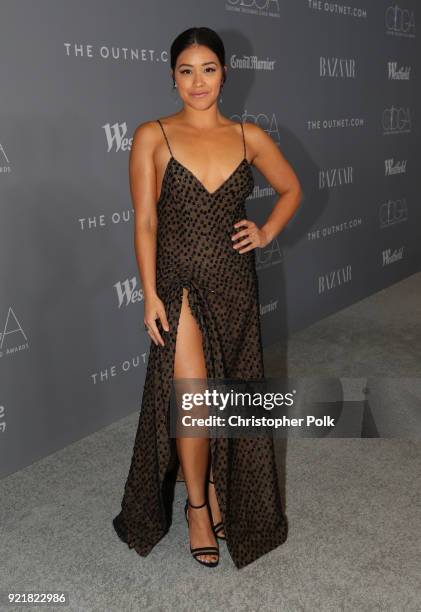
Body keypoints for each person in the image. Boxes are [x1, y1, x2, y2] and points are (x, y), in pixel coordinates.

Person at [112, 26, 302, 569]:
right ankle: (197, 505)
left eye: (209, 69)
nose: (198, 82)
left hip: (235, 283)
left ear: (225, 73)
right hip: (179, 286)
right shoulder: (154, 135)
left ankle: (221, 488)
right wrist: (150, 294)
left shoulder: (249, 136)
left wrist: (265, 232)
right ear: (172, 77)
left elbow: (291, 189)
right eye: (186, 71)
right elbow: (145, 221)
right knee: (193, 397)